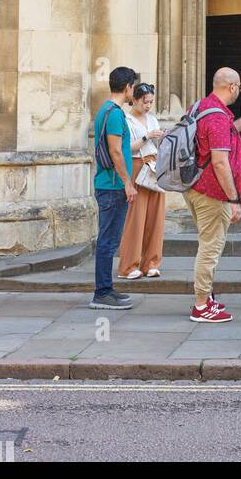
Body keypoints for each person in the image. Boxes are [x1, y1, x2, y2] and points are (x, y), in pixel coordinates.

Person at [184, 66, 241, 324]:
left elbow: (221, 138)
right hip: (213, 193)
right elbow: (219, 162)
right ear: (231, 87)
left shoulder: (202, 107)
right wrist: (233, 199)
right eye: (238, 87)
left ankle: (207, 298)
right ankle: (201, 305)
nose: (239, 92)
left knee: (208, 243)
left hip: (196, 188)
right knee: (211, 247)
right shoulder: (217, 117)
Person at [90, 66, 138, 310]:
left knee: (109, 239)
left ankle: (106, 288)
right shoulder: (115, 114)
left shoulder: (104, 111)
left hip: (109, 185)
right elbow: (115, 151)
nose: (134, 93)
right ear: (127, 86)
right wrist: (127, 183)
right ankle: (102, 292)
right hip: (112, 186)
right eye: (133, 87)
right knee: (108, 241)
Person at [117, 83, 166, 280]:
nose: (148, 106)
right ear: (135, 99)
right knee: (135, 218)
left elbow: (157, 145)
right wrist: (147, 136)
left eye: (151, 102)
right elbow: (125, 148)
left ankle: (151, 263)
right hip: (137, 166)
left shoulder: (152, 119)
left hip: (154, 165)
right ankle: (129, 265)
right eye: (145, 102)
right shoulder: (126, 120)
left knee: (156, 217)